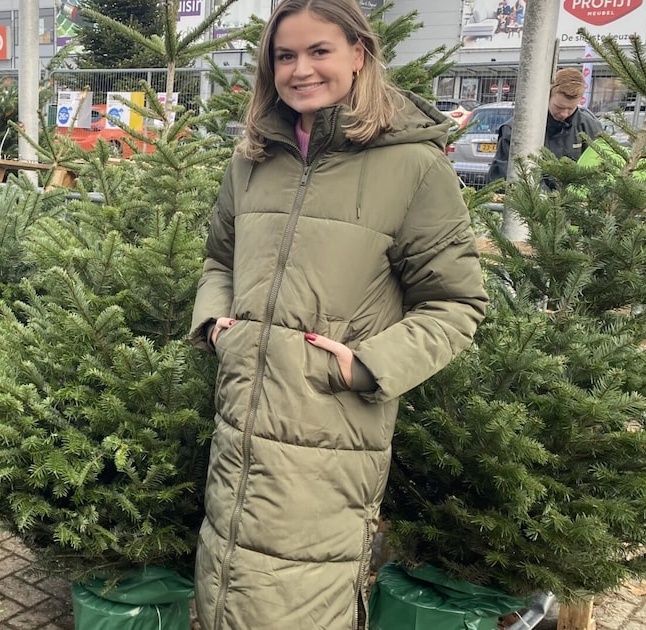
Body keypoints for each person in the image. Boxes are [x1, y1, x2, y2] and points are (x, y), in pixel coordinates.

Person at [188, 1, 489, 629]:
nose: (300, 70)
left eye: (318, 51)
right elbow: (220, 260)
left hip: (333, 435)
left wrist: (367, 366)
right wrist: (217, 326)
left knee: (301, 599)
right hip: (239, 421)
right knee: (224, 587)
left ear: (359, 53)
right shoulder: (252, 159)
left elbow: (456, 303)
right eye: (285, 56)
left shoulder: (413, 166)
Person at [487, 68, 603, 183]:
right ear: (547, 97)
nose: (564, 114)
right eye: (559, 107)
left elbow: (599, 173)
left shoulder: (590, 128)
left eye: (571, 108)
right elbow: (502, 176)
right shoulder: (518, 129)